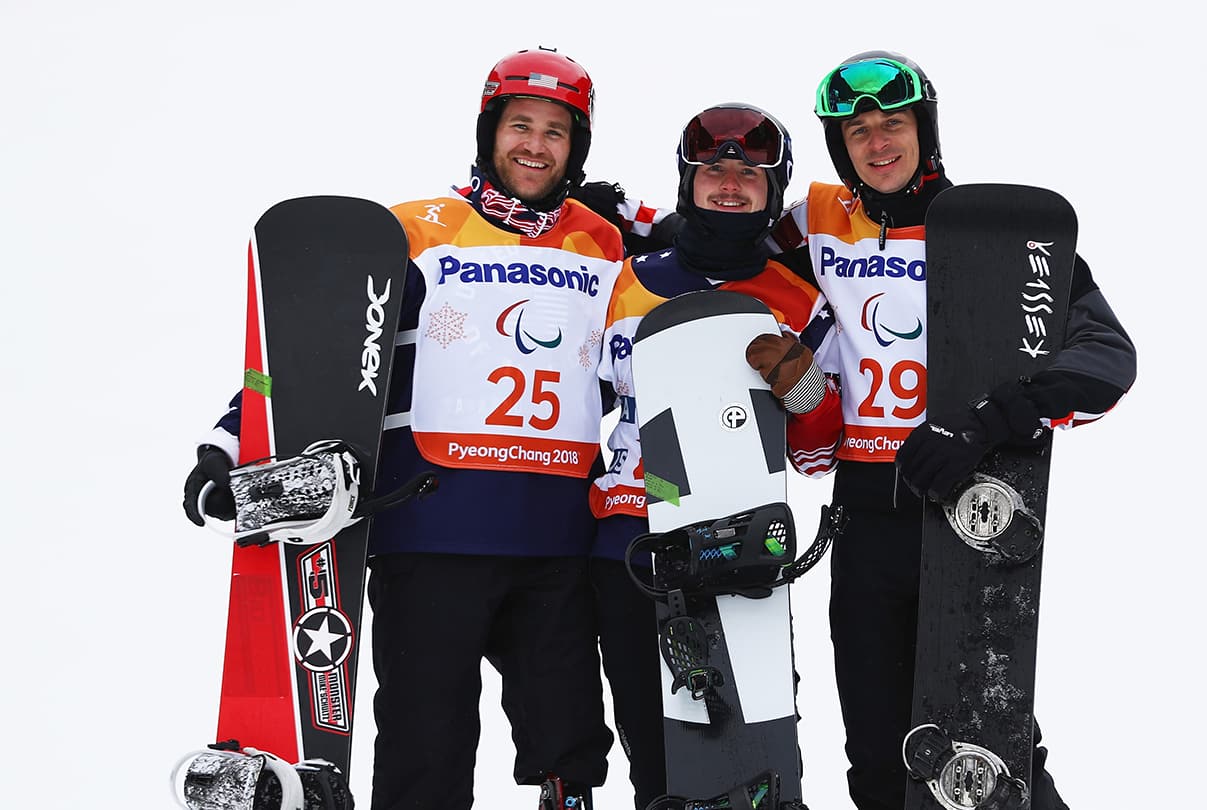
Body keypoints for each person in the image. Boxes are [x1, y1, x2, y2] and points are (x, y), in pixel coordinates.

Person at [182, 47, 622, 810]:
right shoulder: (418, 230)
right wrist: (225, 444)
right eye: (520, 124)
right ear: (489, 132)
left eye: (557, 131)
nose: (535, 145)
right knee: (426, 737)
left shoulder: (603, 241)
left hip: (556, 535)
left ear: (575, 149)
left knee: (569, 735)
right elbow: (317, 348)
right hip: (431, 525)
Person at [758, 51, 1138, 810]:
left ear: (924, 129)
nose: (876, 142)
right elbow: (719, 234)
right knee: (879, 754)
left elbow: (1106, 359)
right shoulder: (817, 224)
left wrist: (982, 426)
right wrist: (621, 220)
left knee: (990, 745)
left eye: (892, 123)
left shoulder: (997, 233)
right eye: (856, 130)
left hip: (968, 515)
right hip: (866, 519)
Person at [586, 103, 837, 809]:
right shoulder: (622, 282)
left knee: (748, 746)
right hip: (631, 541)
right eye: (714, 170)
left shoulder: (795, 299)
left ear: (774, 188)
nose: (731, 184)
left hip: (741, 544)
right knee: (659, 754)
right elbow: (577, 409)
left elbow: (818, 455)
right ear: (687, 181)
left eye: (750, 174)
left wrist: (805, 385)